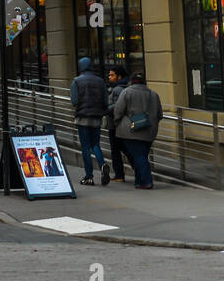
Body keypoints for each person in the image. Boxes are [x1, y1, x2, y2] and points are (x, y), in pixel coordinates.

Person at [113, 73, 163, 190]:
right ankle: (139, 181)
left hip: (131, 130)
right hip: (149, 131)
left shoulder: (126, 92)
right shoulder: (153, 94)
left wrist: (117, 123)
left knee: (139, 156)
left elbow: (118, 110)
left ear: (132, 81)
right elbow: (159, 114)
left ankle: (146, 181)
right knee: (142, 155)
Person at [69, 57, 108, 185]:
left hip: (83, 117)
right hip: (97, 117)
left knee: (85, 147)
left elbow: (74, 101)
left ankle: (89, 176)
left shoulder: (77, 81)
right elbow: (105, 101)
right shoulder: (100, 81)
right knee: (95, 144)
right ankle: (102, 164)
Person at [106, 65, 131, 183]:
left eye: (112, 75)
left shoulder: (117, 89)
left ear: (119, 76)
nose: (109, 77)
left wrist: (105, 109)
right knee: (125, 149)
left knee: (116, 150)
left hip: (116, 125)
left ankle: (119, 174)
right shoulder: (124, 87)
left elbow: (118, 106)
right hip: (121, 125)